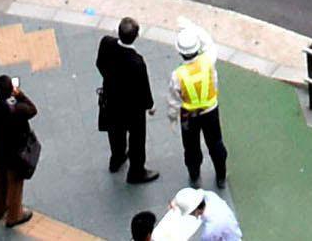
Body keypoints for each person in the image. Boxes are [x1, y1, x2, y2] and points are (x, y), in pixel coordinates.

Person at [98, 16, 159, 182]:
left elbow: (99, 63)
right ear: (136, 36)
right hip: (132, 109)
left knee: (115, 132)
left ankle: (117, 159)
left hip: (111, 101)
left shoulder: (106, 43)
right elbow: (143, 89)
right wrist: (150, 106)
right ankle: (136, 171)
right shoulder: (137, 62)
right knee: (137, 139)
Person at [169, 25, 227, 191]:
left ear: (180, 52)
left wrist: (173, 117)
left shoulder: (178, 75)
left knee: (191, 147)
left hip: (188, 115)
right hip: (210, 111)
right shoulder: (208, 63)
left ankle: (194, 176)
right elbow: (214, 82)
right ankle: (221, 176)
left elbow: (174, 99)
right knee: (216, 144)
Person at [0, 73, 39, 229]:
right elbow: (33, 110)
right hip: (14, 155)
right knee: (14, 184)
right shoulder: (17, 109)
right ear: (10, 91)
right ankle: (14, 216)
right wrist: (20, 95)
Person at [159, 186, 242, 241]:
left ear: (196, 211)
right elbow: (198, 193)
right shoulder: (210, 196)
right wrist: (175, 202)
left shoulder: (211, 229)